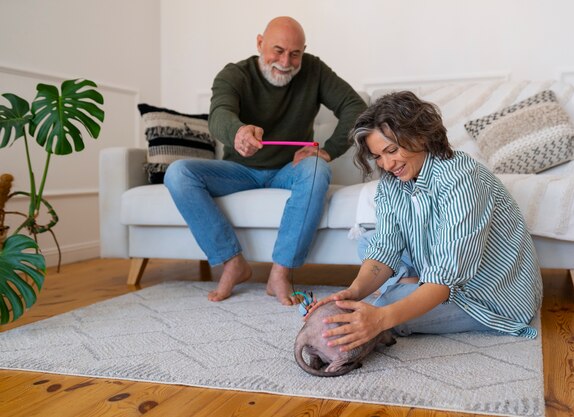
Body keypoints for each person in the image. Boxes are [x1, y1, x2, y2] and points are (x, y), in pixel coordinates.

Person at [310, 91, 543, 352]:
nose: (386, 164)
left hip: (489, 296)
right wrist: (352, 293)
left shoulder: (461, 179)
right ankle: (415, 287)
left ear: (419, 135)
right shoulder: (392, 183)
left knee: (386, 306)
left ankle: (411, 291)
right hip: (439, 272)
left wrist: (380, 318)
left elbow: (445, 279)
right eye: (377, 156)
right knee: (368, 244)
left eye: (392, 150)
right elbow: (385, 248)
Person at [164, 16, 367, 305]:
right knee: (178, 174)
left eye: (295, 53)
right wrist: (237, 132)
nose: (286, 61)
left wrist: (329, 149)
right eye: (278, 50)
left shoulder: (315, 70)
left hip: (289, 169)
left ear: (304, 51)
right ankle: (232, 263)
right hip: (238, 170)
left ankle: (280, 274)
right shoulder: (234, 74)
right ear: (260, 43)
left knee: (317, 169)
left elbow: (355, 108)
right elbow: (219, 115)